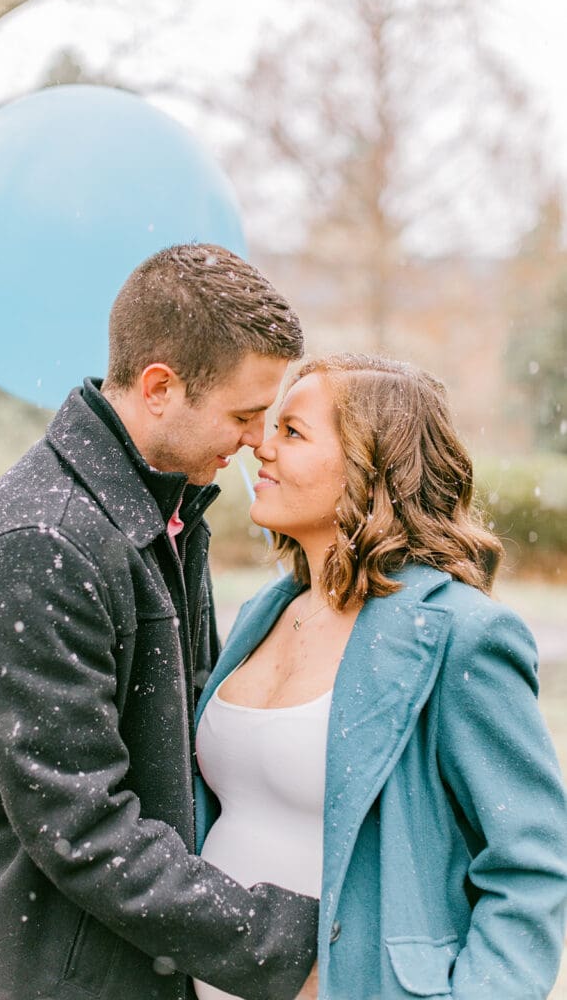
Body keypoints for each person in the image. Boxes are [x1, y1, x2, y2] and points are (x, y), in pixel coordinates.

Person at [0, 244, 321, 1000]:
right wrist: (290, 947)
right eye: (243, 414)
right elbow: (83, 829)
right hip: (43, 980)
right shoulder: (41, 547)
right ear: (160, 387)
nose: (257, 441)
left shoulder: (157, 510)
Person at [194, 353, 567, 1000]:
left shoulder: (459, 635)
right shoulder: (266, 611)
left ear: (373, 468)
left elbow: (529, 867)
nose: (261, 446)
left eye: (291, 432)